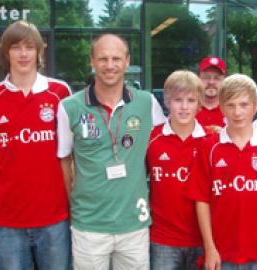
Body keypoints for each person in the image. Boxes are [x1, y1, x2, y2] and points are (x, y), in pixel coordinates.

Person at [57, 33, 165, 270]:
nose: (110, 65)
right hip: (89, 226)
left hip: (134, 225)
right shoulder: (69, 107)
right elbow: (64, 161)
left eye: (116, 58)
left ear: (127, 61)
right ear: (92, 61)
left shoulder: (147, 103)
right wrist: (75, 204)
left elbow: (169, 143)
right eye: (103, 59)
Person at [0, 20, 71, 270]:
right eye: (16, 47)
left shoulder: (60, 93)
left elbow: (69, 156)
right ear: (6, 53)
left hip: (54, 217)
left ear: (39, 51)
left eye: (29, 46)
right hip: (10, 219)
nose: (23, 54)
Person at [187, 74, 257, 270]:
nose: (237, 112)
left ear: (256, 106)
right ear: (221, 107)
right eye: (231, 105)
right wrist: (210, 248)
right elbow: (201, 202)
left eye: (244, 105)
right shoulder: (208, 147)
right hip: (221, 254)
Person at [147, 70, 206, 269]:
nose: (183, 107)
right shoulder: (152, 139)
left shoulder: (210, 141)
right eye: (177, 100)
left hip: (202, 238)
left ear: (199, 104)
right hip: (163, 240)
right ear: (166, 102)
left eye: (190, 100)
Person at [196, 56, 226, 131]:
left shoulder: (232, 109)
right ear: (198, 79)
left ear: (224, 80)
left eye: (217, 78)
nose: (211, 82)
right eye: (206, 77)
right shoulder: (187, 108)